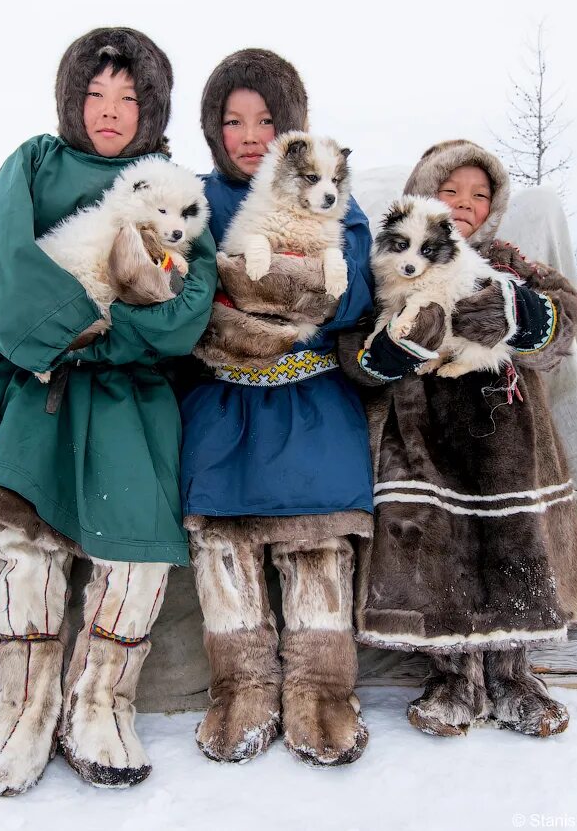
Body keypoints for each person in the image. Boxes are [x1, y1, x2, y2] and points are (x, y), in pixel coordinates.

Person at [0, 27, 215, 794]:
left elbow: (186, 310)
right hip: (33, 391)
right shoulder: (37, 163)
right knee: (27, 547)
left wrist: (96, 337)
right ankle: (23, 707)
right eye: (94, 94)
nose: (109, 111)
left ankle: (102, 703)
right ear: (69, 99)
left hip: (128, 400)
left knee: (138, 556)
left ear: (151, 108)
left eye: (128, 97)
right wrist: (63, 327)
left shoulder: (171, 185)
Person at [340, 139, 577, 738]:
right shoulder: (381, 263)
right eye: (450, 191)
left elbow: (564, 312)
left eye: (480, 195)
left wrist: (519, 314)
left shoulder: (506, 260)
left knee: (516, 545)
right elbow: (353, 344)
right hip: (420, 428)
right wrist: (387, 354)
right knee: (435, 549)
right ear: (423, 197)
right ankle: (452, 676)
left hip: (509, 430)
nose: (465, 205)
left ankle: (513, 675)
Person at [179, 48, 373, 766]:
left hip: (311, 402)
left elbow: (351, 288)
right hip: (225, 406)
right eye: (232, 120)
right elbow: (191, 291)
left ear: (293, 130)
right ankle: (241, 686)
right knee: (222, 544)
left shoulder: (331, 196)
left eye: (267, 119)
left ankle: (323, 689)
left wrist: (266, 293)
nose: (250, 134)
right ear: (212, 129)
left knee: (317, 543)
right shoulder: (196, 200)